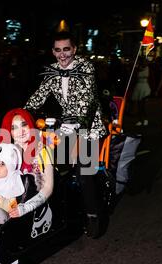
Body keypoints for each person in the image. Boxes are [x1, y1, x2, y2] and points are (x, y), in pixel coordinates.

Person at [24, 31, 107, 236]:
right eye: (58, 50)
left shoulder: (86, 67)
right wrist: (21, 114)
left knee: (83, 169)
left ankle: (93, 216)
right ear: (53, 52)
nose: (62, 54)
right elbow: (39, 95)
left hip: (89, 127)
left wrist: (76, 122)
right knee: (44, 160)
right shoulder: (52, 71)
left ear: (74, 49)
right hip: (66, 127)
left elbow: (86, 100)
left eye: (66, 49)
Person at [0, 108, 54, 220]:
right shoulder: (7, 150)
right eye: (14, 128)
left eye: (24, 125)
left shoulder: (43, 150)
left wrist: (26, 207)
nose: (20, 131)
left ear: (30, 125)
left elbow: (48, 187)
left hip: (32, 201)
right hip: (10, 199)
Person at [131, 58, 152, 127]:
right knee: (139, 105)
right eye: (142, 62)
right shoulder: (137, 69)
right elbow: (134, 77)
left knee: (144, 106)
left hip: (145, 87)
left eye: (145, 62)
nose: (144, 63)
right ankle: (140, 120)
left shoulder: (148, 68)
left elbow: (151, 78)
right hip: (138, 86)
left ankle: (145, 119)